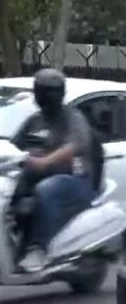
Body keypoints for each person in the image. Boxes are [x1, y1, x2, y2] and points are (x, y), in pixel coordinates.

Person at [11, 68, 98, 272]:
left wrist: (46, 161)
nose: (45, 96)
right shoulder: (34, 120)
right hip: (36, 178)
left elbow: (76, 144)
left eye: (50, 91)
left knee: (46, 189)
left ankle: (38, 249)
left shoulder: (72, 117)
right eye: (42, 91)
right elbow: (14, 145)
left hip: (75, 181)